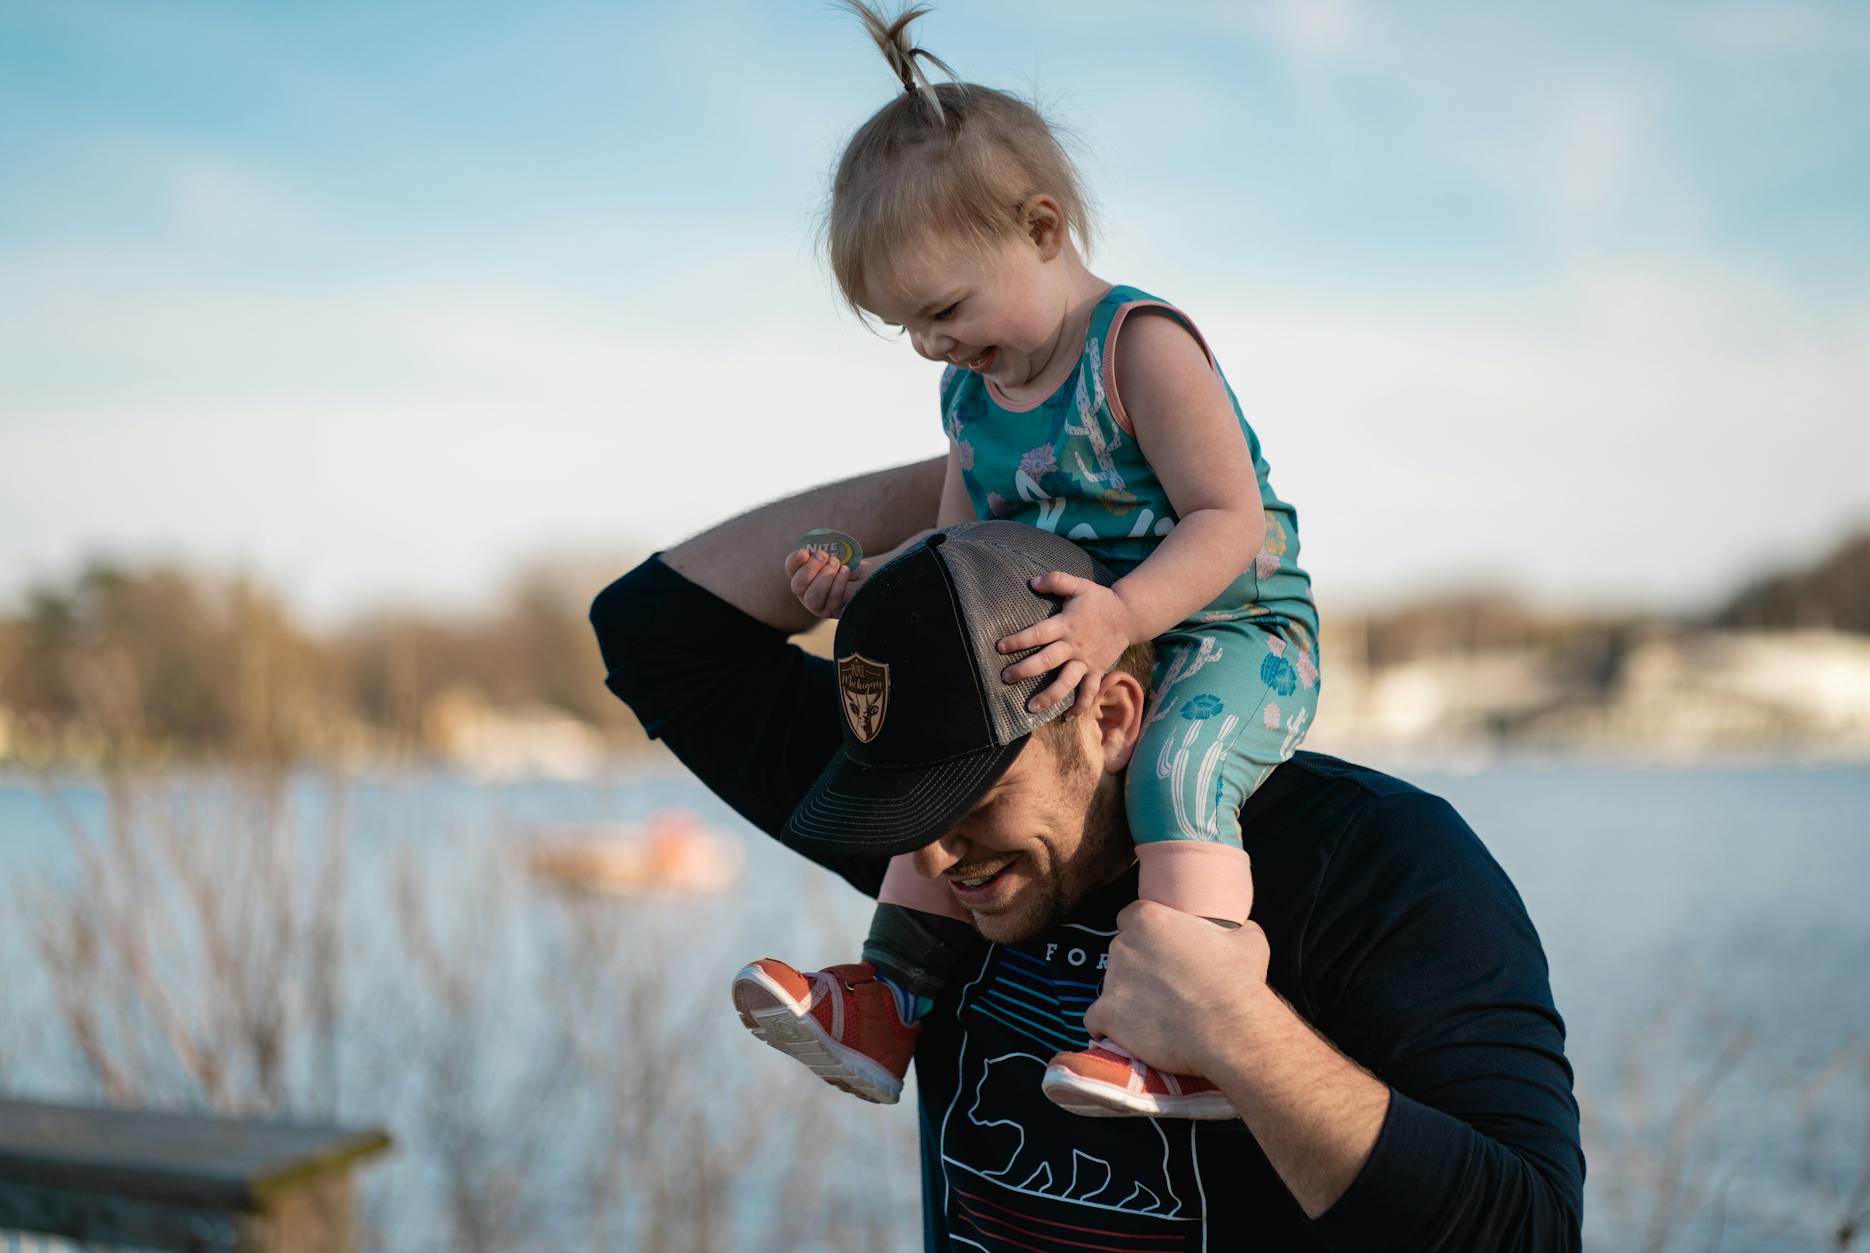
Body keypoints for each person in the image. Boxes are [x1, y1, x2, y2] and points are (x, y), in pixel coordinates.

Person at [589, 473, 1585, 1250]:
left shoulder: (1378, 860)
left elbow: (1529, 1231)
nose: (930, 851)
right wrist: (998, 452)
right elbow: (654, 630)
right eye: (902, 810)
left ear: (1108, 715)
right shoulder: (946, 861)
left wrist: (1238, 1035)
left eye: (966, 803)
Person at [742, 0, 1322, 1119]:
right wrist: (869, 577)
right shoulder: (970, 393)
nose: (934, 344)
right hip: (1088, 638)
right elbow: (964, 545)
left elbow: (1227, 518)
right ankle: (888, 1001)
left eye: (945, 307)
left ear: (1043, 229)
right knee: (938, 747)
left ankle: (1189, 1032)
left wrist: (1120, 613)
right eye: (906, 327)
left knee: (1175, 769)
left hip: (1229, 633)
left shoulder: (1137, 347)